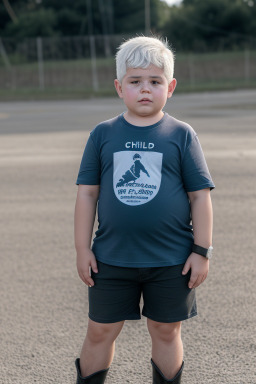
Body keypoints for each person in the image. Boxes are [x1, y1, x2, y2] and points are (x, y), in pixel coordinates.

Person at [74, 36, 215, 384]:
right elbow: (88, 194)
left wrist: (202, 251)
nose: (146, 90)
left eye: (155, 81)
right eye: (135, 82)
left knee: (166, 332)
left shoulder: (181, 135)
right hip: (111, 257)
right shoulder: (102, 134)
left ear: (171, 86)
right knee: (99, 331)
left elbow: (200, 196)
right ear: (120, 87)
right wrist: (81, 249)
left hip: (171, 259)